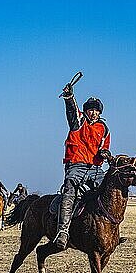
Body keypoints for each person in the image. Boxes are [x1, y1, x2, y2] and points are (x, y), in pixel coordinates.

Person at [54, 80, 111, 250]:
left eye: (96, 110)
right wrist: (69, 97)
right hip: (76, 165)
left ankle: (110, 230)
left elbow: (104, 147)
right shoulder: (79, 122)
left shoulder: (104, 129)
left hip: (95, 168)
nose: (93, 113)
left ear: (100, 112)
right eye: (90, 109)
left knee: (109, 190)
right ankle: (62, 231)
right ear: (85, 111)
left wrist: (105, 153)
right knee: (70, 188)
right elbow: (72, 111)